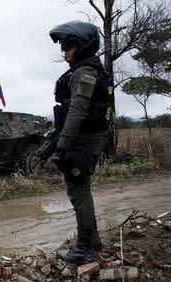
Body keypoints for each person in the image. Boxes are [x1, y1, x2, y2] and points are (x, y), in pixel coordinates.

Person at [48, 21, 112, 263]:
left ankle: (84, 249)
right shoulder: (92, 70)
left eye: (69, 45)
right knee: (83, 190)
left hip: (81, 143)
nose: (65, 51)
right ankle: (93, 239)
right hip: (88, 141)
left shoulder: (84, 73)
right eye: (63, 46)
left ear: (84, 46)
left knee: (79, 193)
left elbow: (76, 112)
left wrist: (62, 147)